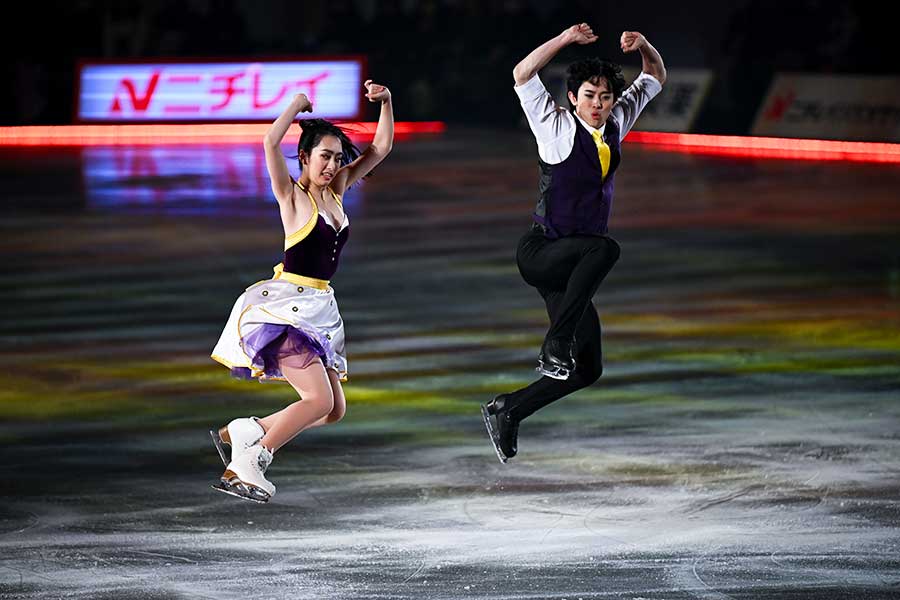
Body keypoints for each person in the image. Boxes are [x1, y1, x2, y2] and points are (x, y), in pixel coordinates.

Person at [482, 24, 666, 463]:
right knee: (604, 248)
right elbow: (522, 73)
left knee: (587, 369)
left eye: (604, 97)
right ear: (572, 97)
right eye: (589, 96)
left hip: (570, 268)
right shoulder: (555, 126)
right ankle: (555, 343)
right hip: (542, 252)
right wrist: (564, 39)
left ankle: (509, 409)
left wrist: (643, 45)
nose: (597, 104)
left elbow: (655, 75)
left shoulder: (616, 121)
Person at [209, 79, 394, 502]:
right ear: (306, 158)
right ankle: (251, 461)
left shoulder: (338, 191)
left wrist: (386, 102)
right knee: (316, 400)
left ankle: (249, 429)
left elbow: (380, 148)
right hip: (286, 310)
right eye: (324, 157)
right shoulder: (292, 196)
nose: (332, 165)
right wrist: (295, 105)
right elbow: (270, 143)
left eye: (337, 158)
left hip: (319, 308)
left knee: (333, 410)